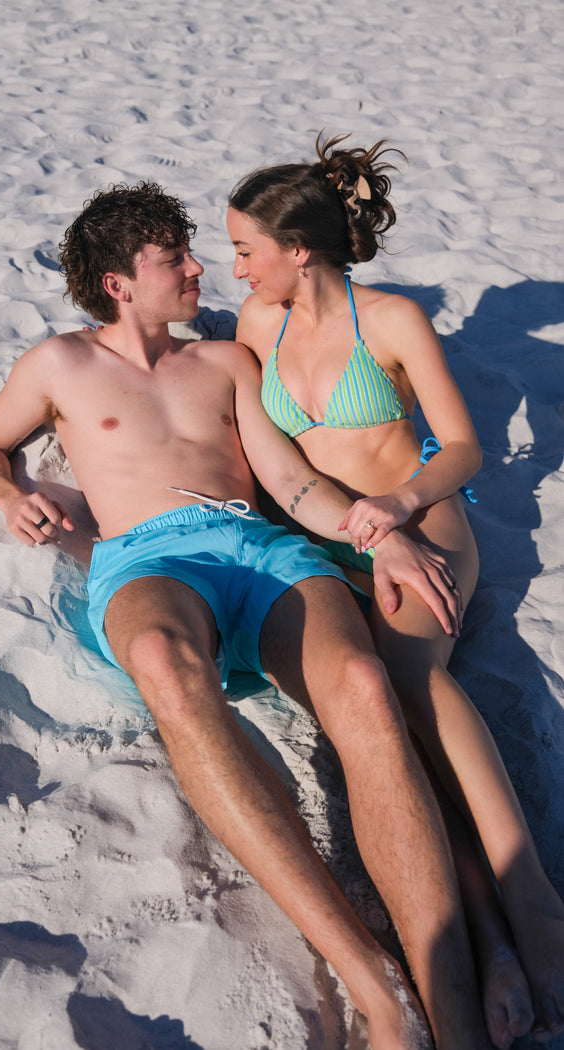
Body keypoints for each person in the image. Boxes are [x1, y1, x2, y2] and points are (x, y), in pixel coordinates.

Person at [0, 182, 495, 1050]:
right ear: (119, 282)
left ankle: (456, 1011)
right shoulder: (59, 363)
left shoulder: (225, 362)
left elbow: (291, 484)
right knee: (169, 667)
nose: (201, 267)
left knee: (361, 680)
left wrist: (382, 533)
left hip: (259, 547)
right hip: (150, 557)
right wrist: (7, 491)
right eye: (176, 257)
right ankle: (376, 986)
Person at [227, 135, 564, 1048]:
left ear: (300, 249)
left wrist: (401, 505)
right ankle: (488, 937)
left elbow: (463, 447)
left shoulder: (393, 324)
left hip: (418, 520)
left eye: (246, 248)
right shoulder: (259, 327)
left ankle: (529, 897)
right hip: (328, 540)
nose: (235, 266)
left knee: (414, 681)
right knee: (382, 727)